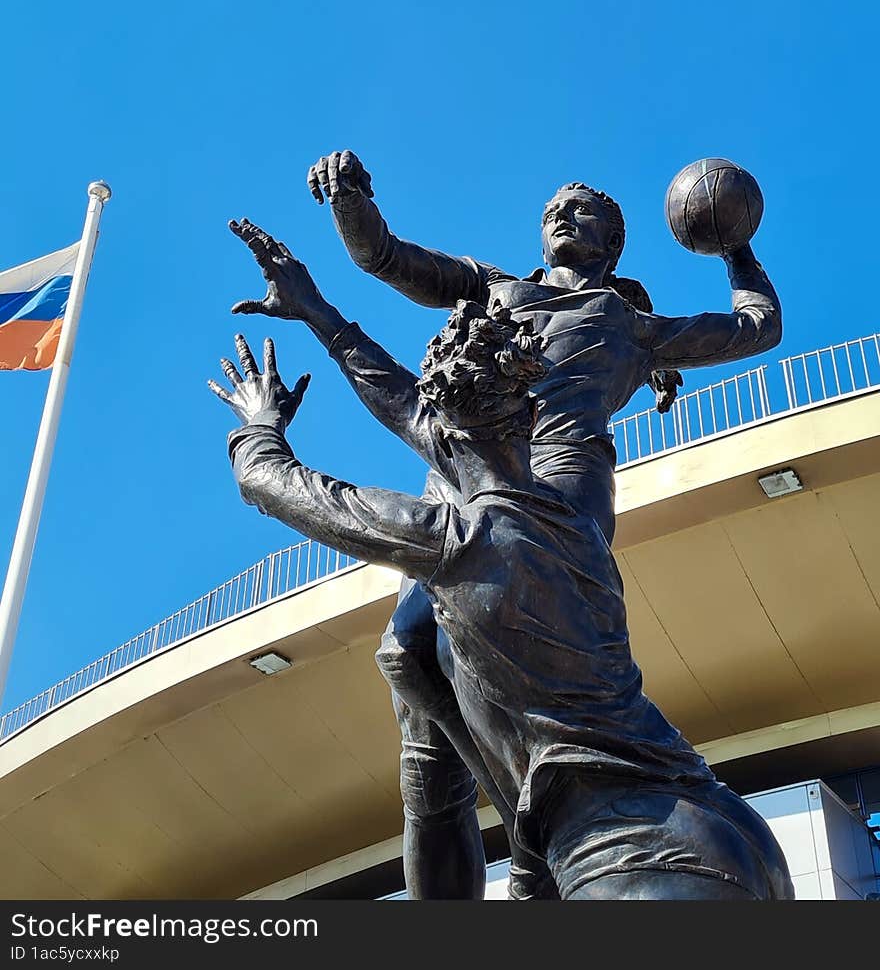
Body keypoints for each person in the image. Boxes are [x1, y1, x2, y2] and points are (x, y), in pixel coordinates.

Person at [228, 152, 782, 897]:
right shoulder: (493, 290)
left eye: (583, 209)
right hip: (460, 465)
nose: (562, 213)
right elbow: (383, 256)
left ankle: (536, 849)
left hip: (552, 492)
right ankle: (526, 857)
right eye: (555, 205)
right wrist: (351, 196)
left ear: (612, 244)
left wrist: (735, 246)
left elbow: (759, 325)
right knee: (419, 706)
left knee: (418, 646)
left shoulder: (628, 322)